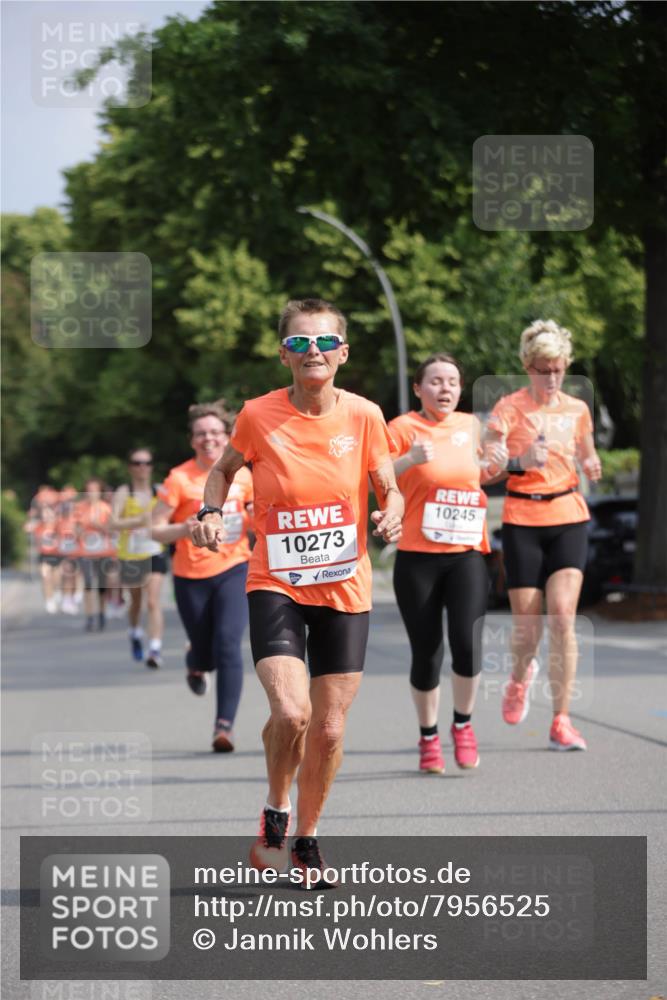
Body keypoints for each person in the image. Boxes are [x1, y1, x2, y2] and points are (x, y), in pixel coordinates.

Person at [192, 298, 403, 881]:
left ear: (343, 353)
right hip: (276, 580)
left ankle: (307, 839)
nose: (315, 352)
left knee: (329, 728)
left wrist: (394, 513)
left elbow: (388, 486)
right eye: (301, 343)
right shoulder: (258, 415)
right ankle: (275, 807)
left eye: (325, 342)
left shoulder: (364, 415)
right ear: (284, 353)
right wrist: (211, 510)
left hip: (345, 586)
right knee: (291, 711)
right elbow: (224, 468)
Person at [484, 319, 602, 750]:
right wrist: (519, 459)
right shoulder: (507, 409)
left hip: (569, 514)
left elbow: (588, 456)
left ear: (565, 366)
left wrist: (591, 467)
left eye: (556, 368)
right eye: (541, 368)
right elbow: (486, 471)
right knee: (528, 628)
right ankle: (519, 677)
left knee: (563, 616)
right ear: (527, 367)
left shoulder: (577, 409)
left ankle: (561, 720)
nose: (550, 377)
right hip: (522, 521)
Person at [389, 353, 508, 774]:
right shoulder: (403, 428)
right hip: (418, 557)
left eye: (453, 382)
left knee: (467, 644)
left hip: (466, 555)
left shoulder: (471, 426)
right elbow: (375, 476)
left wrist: (498, 463)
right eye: (436, 381)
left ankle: (463, 726)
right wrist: (408, 460)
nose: (445, 389)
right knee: (427, 653)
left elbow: (481, 474)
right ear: (419, 388)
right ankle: (427, 738)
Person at [151, 401, 253, 752]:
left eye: (214, 433)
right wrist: (187, 526)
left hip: (235, 568)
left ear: (227, 437)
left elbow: (258, 517)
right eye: (200, 434)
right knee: (207, 650)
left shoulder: (243, 475)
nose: (207, 439)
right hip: (190, 575)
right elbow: (155, 531)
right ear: (192, 440)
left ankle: (223, 727)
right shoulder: (179, 479)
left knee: (228, 643)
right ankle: (196, 661)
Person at [111, 448, 168, 668]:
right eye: (137, 462)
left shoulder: (160, 491)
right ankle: (135, 632)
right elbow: (113, 523)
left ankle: (154, 648)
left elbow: (168, 517)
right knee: (136, 602)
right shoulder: (125, 492)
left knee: (153, 600)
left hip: (155, 551)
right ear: (130, 467)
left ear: (152, 466)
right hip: (131, 554)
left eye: (146, 462)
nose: (142, 467)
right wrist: (143, 520)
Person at [76, 479, 117, 632]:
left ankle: (101, 613)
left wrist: (98, 525)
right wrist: (84, 526)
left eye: (95, 490)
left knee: (101, 585)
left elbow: (112, 531)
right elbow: (74, 532)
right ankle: (89, 616)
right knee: (87, 584)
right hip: (85, 552)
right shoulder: (79, 508)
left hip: (103, 552)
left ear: (99, 492)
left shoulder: (106, 508)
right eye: (89, 490)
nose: (92, 493)